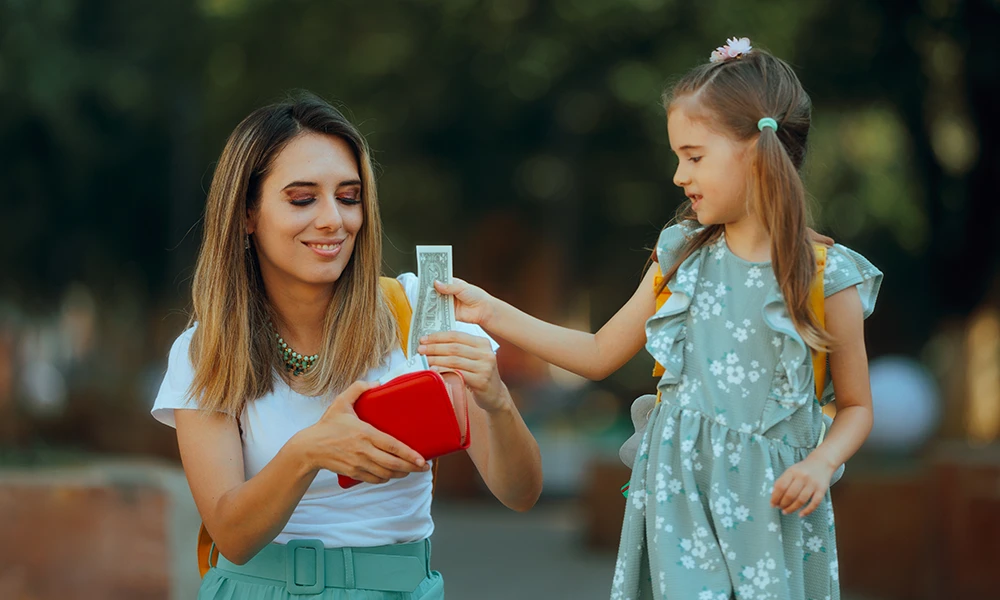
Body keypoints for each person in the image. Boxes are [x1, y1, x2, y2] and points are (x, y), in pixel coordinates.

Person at [424, 39, 881, 599]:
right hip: (680, 504)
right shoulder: (680, 256)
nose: (677, 175)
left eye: (693, 155)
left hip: (771, 509)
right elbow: (596, 354)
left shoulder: (827, 276)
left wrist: (821, 463)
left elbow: (857, 406)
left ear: (757, 151)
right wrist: (489, 310)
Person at [151, 93, 543, 599]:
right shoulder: (206, 350)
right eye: (302, 198)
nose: (334, 219)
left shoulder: (421, 311)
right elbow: (233, 534)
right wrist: (309, 452)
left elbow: (520, 493)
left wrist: (497, 401)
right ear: (247, 213)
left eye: (349, 196)